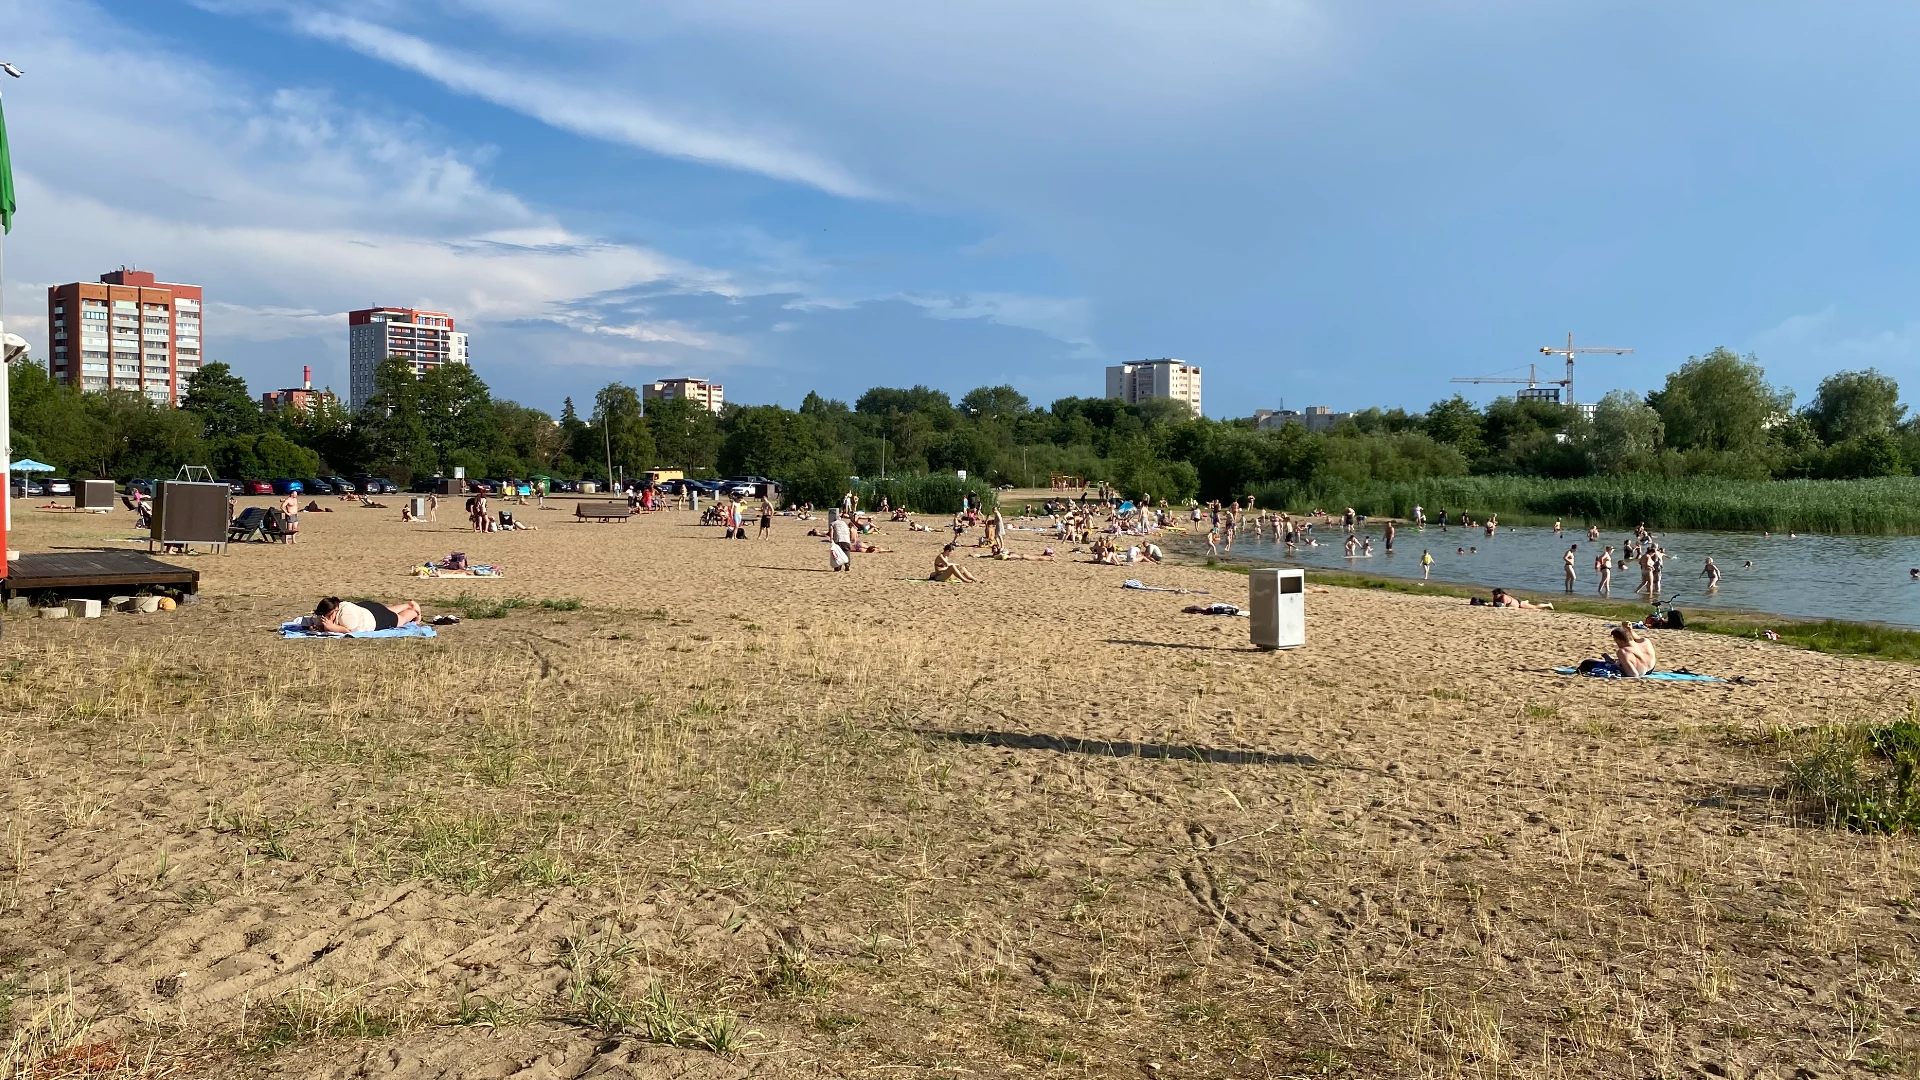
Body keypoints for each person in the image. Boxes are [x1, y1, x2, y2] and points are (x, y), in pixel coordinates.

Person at [311, 596, 423, 634]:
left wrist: (333, 627)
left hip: (374, 619)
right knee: (386, 610)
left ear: (336, 610)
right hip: (366, 609)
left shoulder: (346, 614)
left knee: (399, 620)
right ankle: (407, 605)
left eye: (330, 615)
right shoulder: (333, 610)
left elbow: (351, 630)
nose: (327, 618)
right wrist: (320, 627)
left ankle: (414, 610)